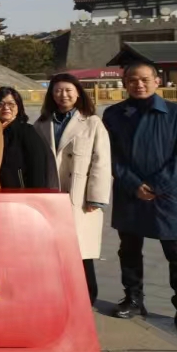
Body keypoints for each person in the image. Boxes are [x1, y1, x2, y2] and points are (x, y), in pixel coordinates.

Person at [104, 62, 177, 338]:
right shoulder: (114, 114)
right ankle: (133, 298)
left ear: (157, 81)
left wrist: (156, 185)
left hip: (169, 195)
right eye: (132, 80)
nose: (139, 84)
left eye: (145, 79)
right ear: (125, 83)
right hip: (130, 192)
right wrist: (133, 184)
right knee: (129, 248)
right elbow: (110, 156)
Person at [34, 74, 111, 305]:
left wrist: (96, 197)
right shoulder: (41, 124)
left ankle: (88, 297)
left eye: (68, 90)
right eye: (58, 90)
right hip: (51, 195)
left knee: (81, 251)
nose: (63, 95)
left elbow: (101, 161)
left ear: (78, 93)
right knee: (53, 250)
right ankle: (56, 295)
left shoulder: (92, 122)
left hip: (79, 195)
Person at [0, 88, 49, 190]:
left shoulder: (27, 131)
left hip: (19, 192)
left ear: (18, 106)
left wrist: (35, 194)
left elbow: (37, 167)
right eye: (0, 104)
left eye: (11, 104)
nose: (6, 108)